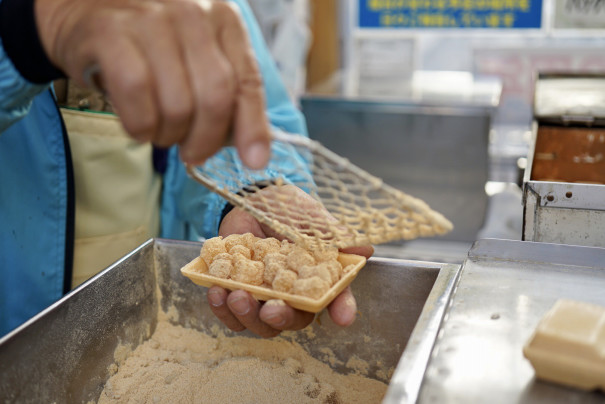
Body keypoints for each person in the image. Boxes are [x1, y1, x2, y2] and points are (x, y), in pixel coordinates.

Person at [0, 0, 371, 337]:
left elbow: (256, 118)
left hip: (144, 312)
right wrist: (31, 32)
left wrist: (249, 191)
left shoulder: (213, 7)